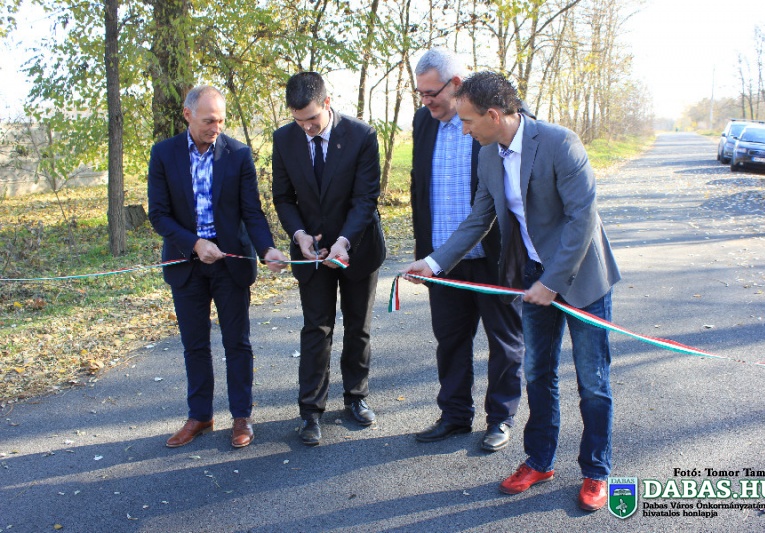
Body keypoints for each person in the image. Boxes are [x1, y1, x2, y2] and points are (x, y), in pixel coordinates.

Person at [401, 71, 621, 511]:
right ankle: (539, 460)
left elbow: (582, 220)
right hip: (531, 278)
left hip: (580, 279)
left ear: (494, 115)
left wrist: (552, 283)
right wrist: (434, 262)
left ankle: (596, 471)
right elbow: (478, 219)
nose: (463, 129)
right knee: (538, 374)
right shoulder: (487, 155)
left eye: (467, 120)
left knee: (593, 382)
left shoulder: (560, 143)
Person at [148, 84, 288, 449]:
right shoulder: (163, 154)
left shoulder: (238, 154)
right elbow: (158, 214)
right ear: (188, 115)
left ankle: (241, 416)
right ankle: (200, 416)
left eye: (221, 121)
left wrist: (267, 249)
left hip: (230, 265)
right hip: (186, 264)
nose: (216, 127)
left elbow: (251, 211)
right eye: (209, 120)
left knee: (237, 343)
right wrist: (195, 244)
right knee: (194, 345)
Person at [410, 48, 524, 452]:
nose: (426, 101)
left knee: (504, 343)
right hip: (442, 260)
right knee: (451, 342)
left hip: (495, 257)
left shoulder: (494, 120)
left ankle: (500, 418)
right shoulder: (422, 122)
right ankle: (454, 415)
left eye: (432, 93)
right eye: (421, 94)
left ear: (456, 84)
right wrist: (427, 252)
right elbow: (419, 186)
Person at [272, 72, 386, 446]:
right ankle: (310, 411)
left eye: (312, 119)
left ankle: (356, 397)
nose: (306, 128)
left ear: (327, 102)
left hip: (356, 246)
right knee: (316, 329)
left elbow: (365, 199)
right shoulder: (283, 139)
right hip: (311, 252)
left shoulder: (362, 136)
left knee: (358, 327)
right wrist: (299, 235)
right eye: (298, 120)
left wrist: (344, 242)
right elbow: (283, 198)